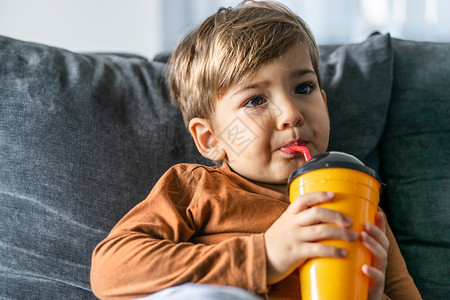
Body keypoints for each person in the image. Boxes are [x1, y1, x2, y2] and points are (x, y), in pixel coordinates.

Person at [90, 1, 421, 299]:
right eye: (256, 100)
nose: (292, 114)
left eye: (303, 88)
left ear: (324, 101)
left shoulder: (359, 204)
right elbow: (111, 270)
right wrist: (265, 256)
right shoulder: (196, 187)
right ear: (210, 139)